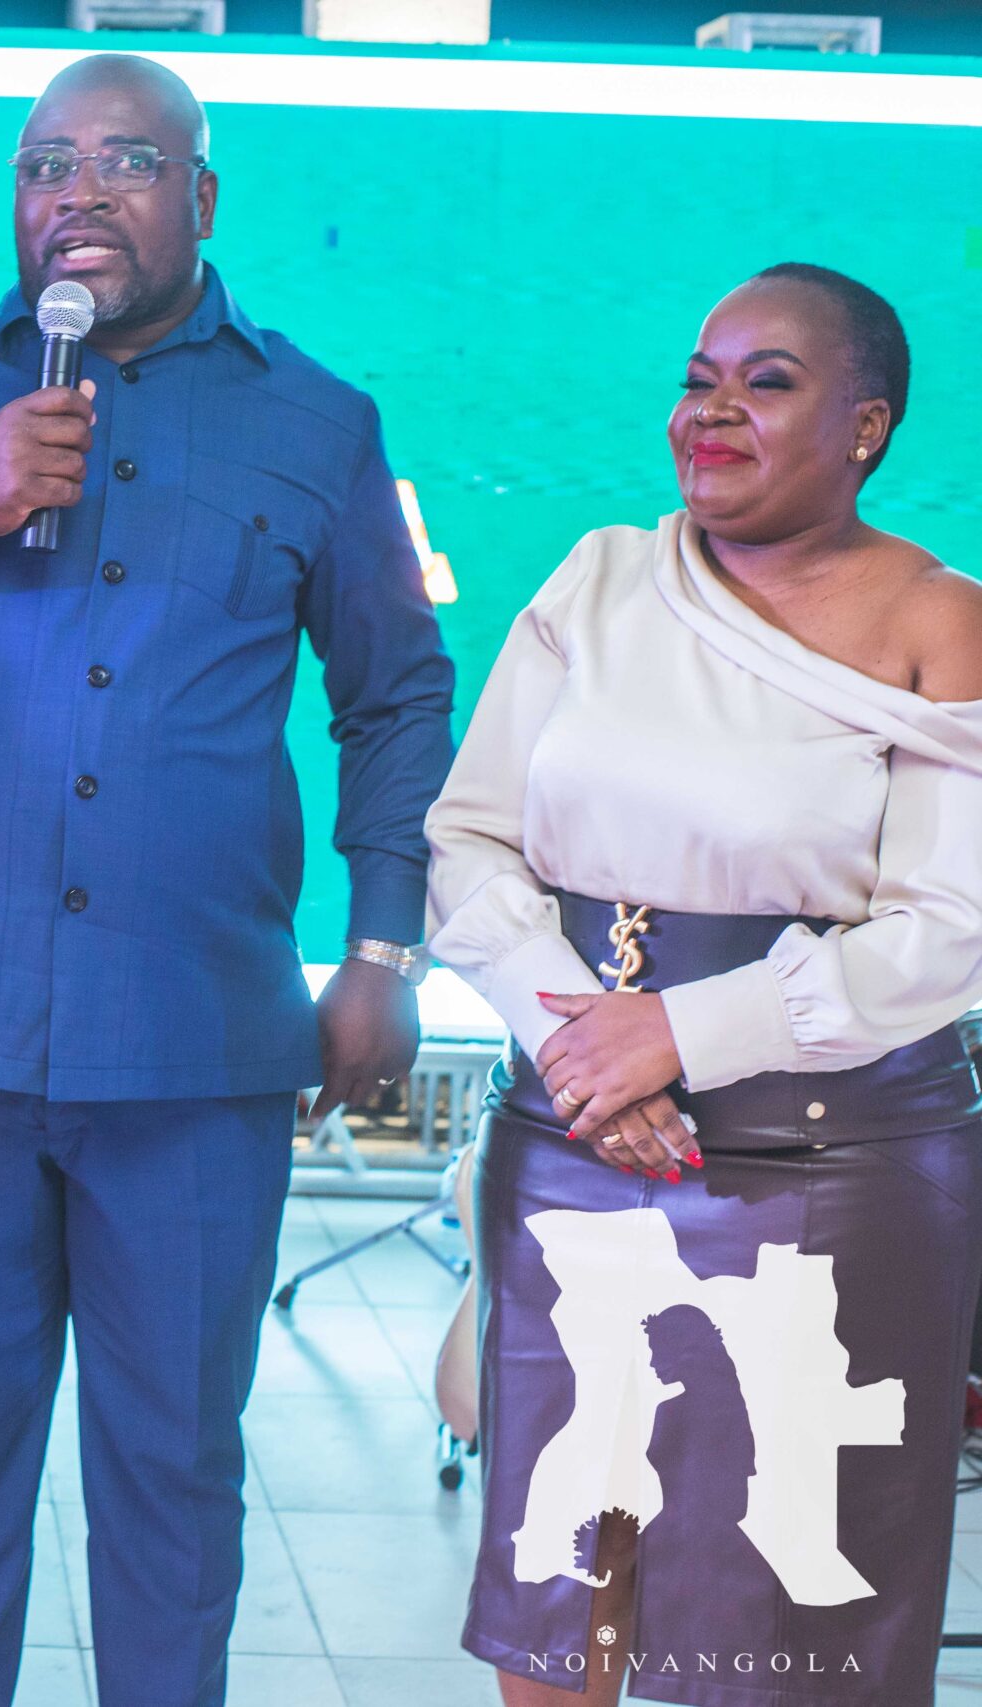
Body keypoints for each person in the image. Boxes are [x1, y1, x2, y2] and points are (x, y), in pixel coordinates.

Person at [0, 52, 454, 1707]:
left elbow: (397, 697)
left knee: (175, 1473)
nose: (77, 194)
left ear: (203, 196)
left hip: (193, 1051)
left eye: (125, 162)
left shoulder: (320, 421)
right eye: (45, 163)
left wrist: (384, 952)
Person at [428, 263, 982, 1707]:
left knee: (795, 1607)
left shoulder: (943, 619)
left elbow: (951, 931)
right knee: (563, 1591)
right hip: (576, 1143)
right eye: (699, 380)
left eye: (767, 382)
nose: (713, 410)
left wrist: (681, 1031)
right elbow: (470, 841)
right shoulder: (604, 577)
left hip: (830, 1169)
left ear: (866, 425)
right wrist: (584, 1057)